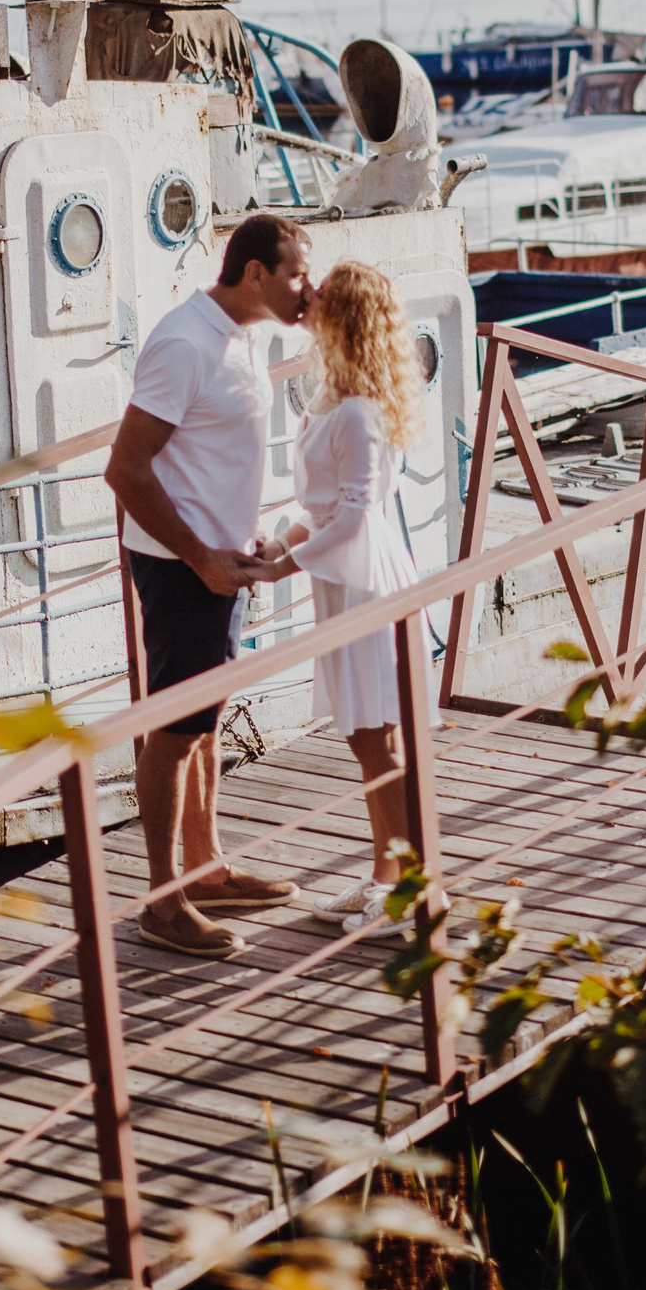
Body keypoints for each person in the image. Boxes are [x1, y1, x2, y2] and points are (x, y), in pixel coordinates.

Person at [103, 212, 310, 958]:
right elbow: (125, 469)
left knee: (206, 723)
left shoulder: (245, 337)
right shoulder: (185, 341)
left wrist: (240, 538)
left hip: (222, 558)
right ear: (253, 272)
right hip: (179, 564)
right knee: (176, 728)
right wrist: (200, 558)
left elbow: (212, 452)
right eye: (294, 276)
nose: (305, 289)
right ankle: (162, 900)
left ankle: (207, 865)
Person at [253, 260, 427, 937]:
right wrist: (280, 544)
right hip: (337, 576)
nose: (309, 300)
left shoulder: (358, 414)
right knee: (362, 737)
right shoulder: (332, 400)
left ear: (345, 319)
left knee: (376, 734)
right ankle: (387, 875)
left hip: (365, 579)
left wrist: (282, 567)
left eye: (322, 297)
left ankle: (413, 885)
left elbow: (356, 517)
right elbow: (317, 505)